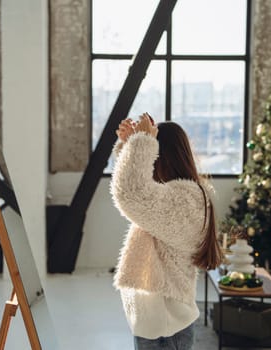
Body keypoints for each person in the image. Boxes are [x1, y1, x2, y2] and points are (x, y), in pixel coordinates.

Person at [110, 113, 223, 350]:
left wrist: (141, 141)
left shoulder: (187, 199)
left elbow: (131, 193)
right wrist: (129, 144)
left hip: (165, 329)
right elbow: (139, 187)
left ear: (160, 156)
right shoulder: (175, 195)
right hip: (159, 325)